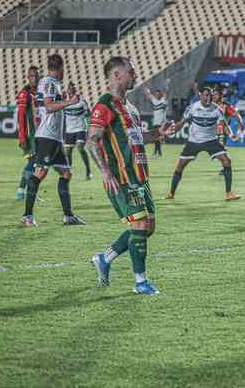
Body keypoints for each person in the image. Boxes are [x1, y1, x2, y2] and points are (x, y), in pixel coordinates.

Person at [86, 56, 175, 295]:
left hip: (140, 176)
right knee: (139, 225)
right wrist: (106, 172)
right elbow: (92, 141)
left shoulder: (131, 107)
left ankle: (104, 259)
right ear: (117, 75)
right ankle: (140, 282)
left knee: (148, 228)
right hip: (121, 177)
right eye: (131, 72)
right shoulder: (104, 105)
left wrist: (158, 133)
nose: (135, 76)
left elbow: (137, 138)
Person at [22, 53, 86, 227]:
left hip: (55, 138)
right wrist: (71, 101)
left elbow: (55, 104)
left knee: (66, 173)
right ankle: (27, 216)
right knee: (40, 174)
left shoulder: (55, 84)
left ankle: (68, 216)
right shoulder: (48, 83)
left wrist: (67, 97)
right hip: (47, 136)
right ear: (60, 68)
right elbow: (49, 107)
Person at [167, 86, 241, 201]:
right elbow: (182, 122)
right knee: (180, 165)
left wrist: (231, 135)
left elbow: (224, 125)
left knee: (227, 161)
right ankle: (171, 193)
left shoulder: (217, 109)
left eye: (210, 95)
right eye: (206, 95)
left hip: (211, 140)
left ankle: (228, 193)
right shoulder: (192, 108)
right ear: (200, 95)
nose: (209, 97)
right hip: (194, 141)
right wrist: (172, 130)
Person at [15, 65, 41, 200]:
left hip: (41, 134)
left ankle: (24, 190)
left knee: (36, 163)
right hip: (31, 135)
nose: (34, 78)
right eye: (32, 76)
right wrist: (22, 135)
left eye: (36, 75)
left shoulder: (41, 92)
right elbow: (20, 116)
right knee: (34, 162)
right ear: (27, 77)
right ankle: (24, 190)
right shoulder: (25, 93)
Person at [63, 83, 92, 180]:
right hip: (69, 130)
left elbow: (88, 114)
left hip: (81, 128)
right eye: (70, 89)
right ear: (67, 91)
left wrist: (90, 128)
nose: (72, 91)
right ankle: (68, 171)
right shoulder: (64, 102)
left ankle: (88, 170)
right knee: (67, 152)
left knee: (80, 147)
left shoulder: (82, 101)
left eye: (73, 89)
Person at [213, 86, 245, 175]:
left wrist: (241, 124)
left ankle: (226, 167)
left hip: (222, 131)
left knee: (220, 150)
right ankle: (225, 166)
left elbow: (236, 114)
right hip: (212, 132)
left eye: (216, 94)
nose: (214, 96)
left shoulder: (226, 106)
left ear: (220, 96)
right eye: (213, 95)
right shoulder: (211, 105)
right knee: (218, 151)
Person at [144, 86, 167, 157]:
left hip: (161, 122)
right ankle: (159, 152)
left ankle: (156, 152)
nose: (157, 95)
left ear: (161, 94)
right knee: (157, 138)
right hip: (155, 122)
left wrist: (167, 85)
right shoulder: (155, 101)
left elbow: (166, 93)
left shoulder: (163, 101)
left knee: (157, 137)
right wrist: (147, 90)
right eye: (156, 94)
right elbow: (149, 95)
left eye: (158, 94)